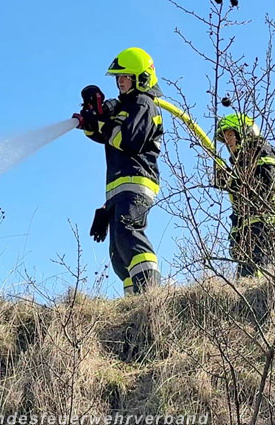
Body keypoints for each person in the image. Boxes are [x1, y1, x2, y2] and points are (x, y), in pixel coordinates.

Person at [73, 47, 164, 295]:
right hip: (118, 187)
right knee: (117, 252)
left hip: (137, 181)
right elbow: (104, 132)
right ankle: (133, 301)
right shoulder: (124, 105)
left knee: (129, 235)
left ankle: (151, 295)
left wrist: (100, 124)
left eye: (125, 76)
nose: (120, 81)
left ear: (140, 78)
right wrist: (93, 117)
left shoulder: (143, 104)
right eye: (118, 77)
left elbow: (127, 140)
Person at [214, 113, 275, 278]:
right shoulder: (242, 164)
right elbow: (240, 207)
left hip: (267, 231)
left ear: (244, 132)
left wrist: (233, 183)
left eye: (230, 134)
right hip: (250, 235)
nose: (227, 141)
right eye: (224, 137)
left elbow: (263, 188)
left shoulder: (262, 153)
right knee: (245, 285)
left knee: (258, 284)